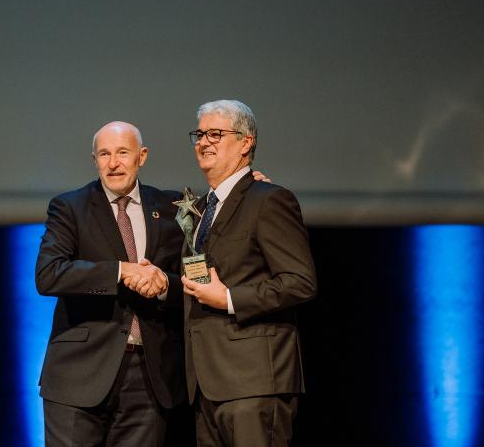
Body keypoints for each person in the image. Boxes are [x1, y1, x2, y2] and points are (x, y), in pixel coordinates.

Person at [35, 121, 187, 447]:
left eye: (122, 152)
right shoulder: (70, 207)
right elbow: (49, 274)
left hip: (149, 377)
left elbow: (191, 278)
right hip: (79, 375)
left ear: (142, 156)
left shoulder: (172, 207)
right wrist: (120, 272)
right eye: (104, 154)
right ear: (94, 159)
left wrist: (163, 285)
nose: (113, 163)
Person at [181, 100, 318, 447]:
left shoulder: (269, 200)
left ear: (246, 143)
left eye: (215, 134)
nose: (203, 142)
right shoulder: (199, 210)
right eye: (199, 134)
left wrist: (227, 298)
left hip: (254, 383)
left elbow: (300, 282)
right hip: (206, 386)